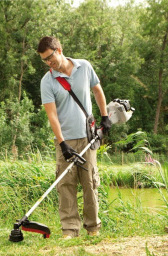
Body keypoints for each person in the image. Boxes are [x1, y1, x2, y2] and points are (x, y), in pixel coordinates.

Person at [37, 36, 112, 239]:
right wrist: (62, 143)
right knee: (66, 186)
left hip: (88, 138)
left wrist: (104, 117)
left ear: (59, 50)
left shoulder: (84, 67)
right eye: (45, 60)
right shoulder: (47, 81)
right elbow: (52, 114)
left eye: (50, 57)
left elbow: (97, 90)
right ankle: (70, 230)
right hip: (66, 140)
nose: (49, 63)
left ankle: (93, 227)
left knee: (90, 183)